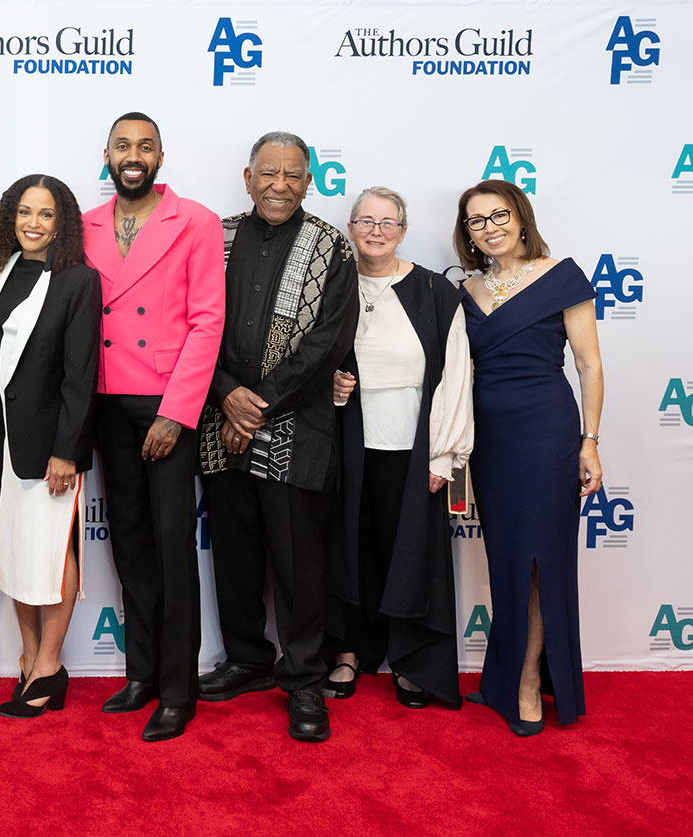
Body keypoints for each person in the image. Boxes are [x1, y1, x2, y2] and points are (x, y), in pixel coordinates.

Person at [196, 131, 358, 743]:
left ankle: (305, 680)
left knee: (297, 563)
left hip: (295, 426)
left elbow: (327, 345)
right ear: (247, 177)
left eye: (293, 175)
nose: (280, 185)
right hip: (218, 417)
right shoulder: (216, 238)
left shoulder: (331, 248)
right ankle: (246, 659)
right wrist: (224, 396)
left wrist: (254, 406)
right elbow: (191, 323)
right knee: (235, 554)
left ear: (309, 181)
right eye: (269, 173)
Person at [81, 112, 225, 741]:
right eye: (122, 145)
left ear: (161, 156)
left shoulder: (196, 221)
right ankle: (140, 670)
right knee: (130, 544)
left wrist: (176, 411)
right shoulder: (84, 224)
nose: (132, 155)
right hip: (106, 399)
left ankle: (177, 687)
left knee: (171, 547)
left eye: (144, 146)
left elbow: (207, 321)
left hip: (167, 402)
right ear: (106, 155)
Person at [453, 179, 602, 736]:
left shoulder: (561, 275)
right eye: (476, 220)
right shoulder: (466, 290)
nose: (489, 228)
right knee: (508, 560)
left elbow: (588, 364)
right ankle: (501, 678)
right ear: (466, 232)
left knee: (542, 562)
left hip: (546, 433)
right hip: (489, 440)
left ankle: (527, 681)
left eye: (498, 216)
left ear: (521, 218)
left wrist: (590, 440)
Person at [323, 187, 472, 710]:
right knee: (348, 547)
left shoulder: (434, 291)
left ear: (404, 230)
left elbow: (455, 375)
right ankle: (347, 651)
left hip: (415, 448)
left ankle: (413, 661)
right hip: (347, 446)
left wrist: (444, 455)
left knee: (411, 552)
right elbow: (312, 361)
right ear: (351, 228)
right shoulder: (333, 286)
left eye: (388, 222)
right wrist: (333, 387)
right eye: (365, 220)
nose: (376, 230)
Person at [0, 175, 100, 719]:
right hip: (1, 437)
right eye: (24, 212)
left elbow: (80, 375)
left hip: (51, 445)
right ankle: (27, 655)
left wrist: (67, 449)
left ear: (63, 222)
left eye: (46, 215)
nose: (33, 223)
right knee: (15, 550)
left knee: (55, 549)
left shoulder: (78, 281)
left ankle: (51, 665)